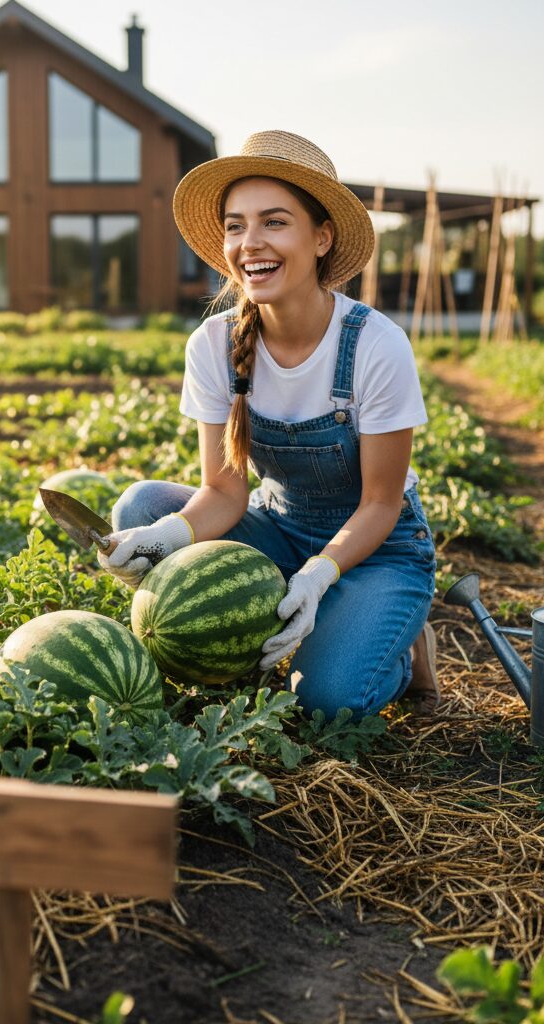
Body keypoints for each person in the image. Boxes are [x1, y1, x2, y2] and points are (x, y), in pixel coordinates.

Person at [97, 130, 439, 719]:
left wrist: (317, 576)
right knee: (142, 510)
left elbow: (381, 505)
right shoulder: (213, 343)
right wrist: (169, 537)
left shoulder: (375, 346)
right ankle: (249, 645)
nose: (250, 243)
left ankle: (401, 648)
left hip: (375, 546)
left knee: (327, 703)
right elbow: (225, 490)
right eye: (236, 225)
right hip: (277, 529)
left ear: (321, 237)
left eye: (274, 222)